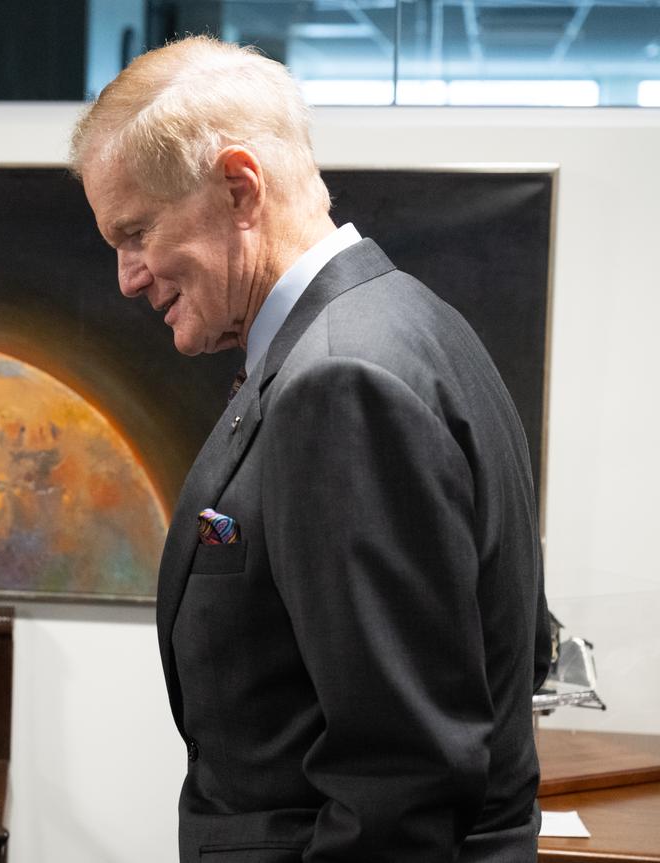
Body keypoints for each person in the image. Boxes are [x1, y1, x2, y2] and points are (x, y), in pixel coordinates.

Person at [71, 37, 550, 861]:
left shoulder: (340, 380)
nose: (129, 276)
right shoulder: (405, 319)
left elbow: (402, 776)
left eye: (137, 232)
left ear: (238, 187)